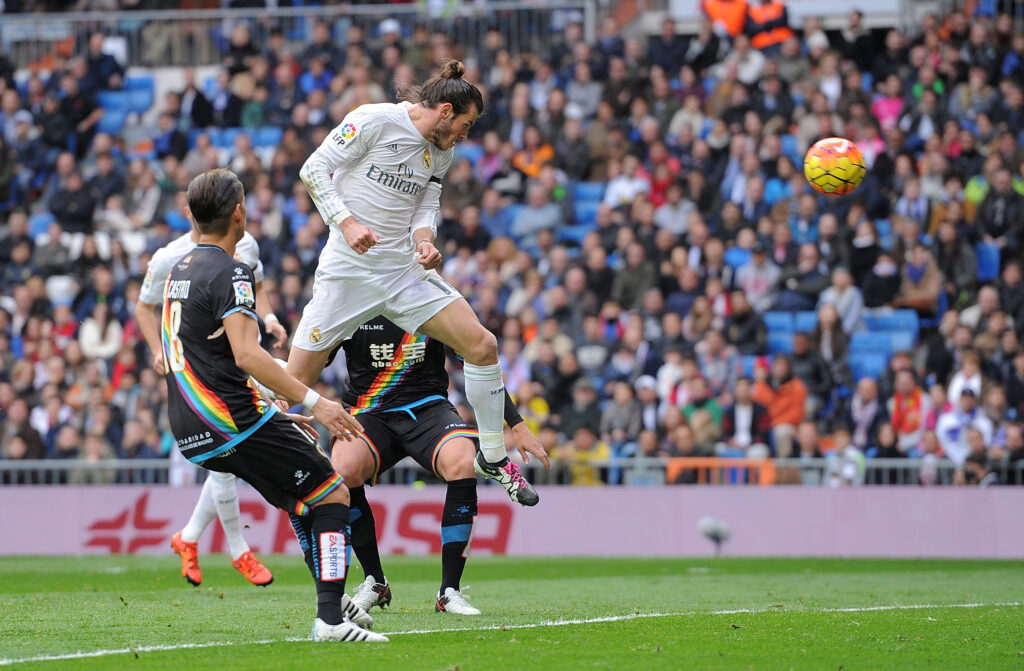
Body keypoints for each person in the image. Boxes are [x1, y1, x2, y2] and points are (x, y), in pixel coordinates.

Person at [289, 59, 538, 504]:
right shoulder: (373, 120)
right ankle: (262, 466)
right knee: (289, 384)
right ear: (445, 111)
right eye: (464, 124)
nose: (465, 135)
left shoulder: (441, 150)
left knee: (482, 345)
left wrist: (425, 240)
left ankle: (495, 457)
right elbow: (313, 169)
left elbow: (427, 202)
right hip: (348, 272)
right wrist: (346, 224)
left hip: (403, 272)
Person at [161, 169, 385, 642]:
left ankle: (334, 596)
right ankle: (329, 619)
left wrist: (272, 407)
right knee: (332, 493)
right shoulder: (232, 271)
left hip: (190, 424)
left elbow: (207, 360)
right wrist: (315, 401)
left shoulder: (178, 271)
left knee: (303, 499)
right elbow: (246, 354)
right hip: (231, 421)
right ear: (239, 212)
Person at [325, 315, 548, 616]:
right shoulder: (349, 300)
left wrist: (517, 424)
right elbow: (311, 357)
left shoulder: (431, 301)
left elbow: (480, 360)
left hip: (429, 408)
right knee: (343, 468)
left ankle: (449, 592)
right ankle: (375, 581)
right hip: (369, 412)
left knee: (461, 460)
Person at [136, 211, 287, 588]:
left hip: (240, 355)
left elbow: (259, 285)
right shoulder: (169, 257)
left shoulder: (245, 243)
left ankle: (189, 537)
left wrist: (268, 319)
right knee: (225, 457)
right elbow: (144, 307)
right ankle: (237, 550)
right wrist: (159, 349)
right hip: (201, 372)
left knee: (225, 460)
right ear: (190, 211)